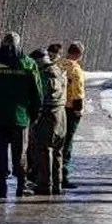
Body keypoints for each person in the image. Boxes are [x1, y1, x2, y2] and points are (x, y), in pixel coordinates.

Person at [0, 31, 42, 198]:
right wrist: (34, 114)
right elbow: (37, 93)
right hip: (20, 118)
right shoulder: (28, 64)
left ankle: (1, 186)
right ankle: (20, 186)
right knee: (20, 152)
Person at [27, 48, 69, 195]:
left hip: (47, 116)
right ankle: (56, 184)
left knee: (44, 151)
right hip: (61, 115)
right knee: (58, 152)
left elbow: (41, 98)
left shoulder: (44, 75)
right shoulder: (58, 71)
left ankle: (44, 185)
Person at [59, 41, 87, 188]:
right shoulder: (75, 70)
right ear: (79, 55)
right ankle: (64, 175)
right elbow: (78, 91)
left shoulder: (57, 65)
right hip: (70, 109)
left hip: (56, 108)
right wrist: (78, 109)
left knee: (55, 142)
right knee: (67, 143)